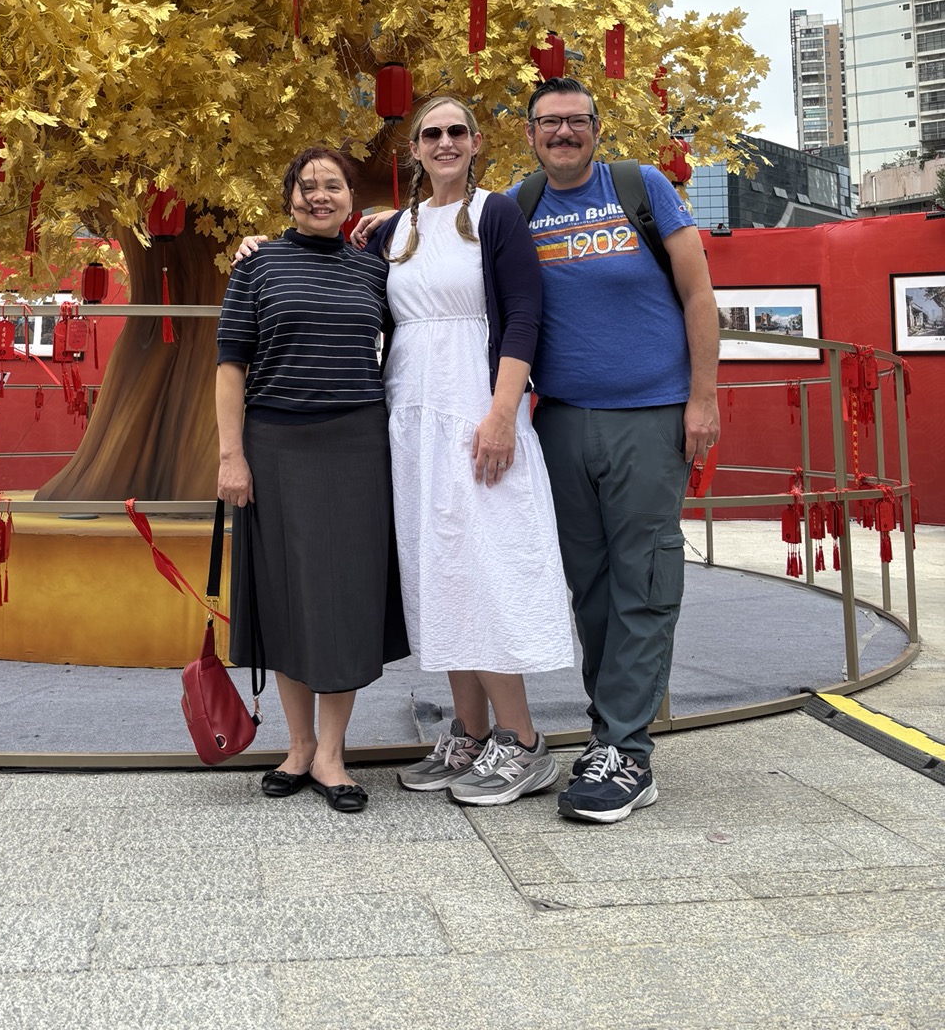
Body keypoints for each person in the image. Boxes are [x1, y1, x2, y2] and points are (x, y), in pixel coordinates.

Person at [513, 75, 720, 824]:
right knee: (591, 588)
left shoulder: (641, 187)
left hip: (650, 416)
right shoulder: (519, 204)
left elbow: (699, 295)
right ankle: (611, 731)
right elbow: (451, 242)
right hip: (562, 422)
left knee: (645, 578)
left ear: (596, 128)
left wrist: (703, 399)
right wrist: (381, 221)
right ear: (530, 134)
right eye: (549, 122)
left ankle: (626, 749)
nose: (563, 133)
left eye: (576, 120)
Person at [365, 96, 573, 807]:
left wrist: (503, 413)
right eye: (433, 133)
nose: (446, 142)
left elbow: (525, 314)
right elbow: (332, 264)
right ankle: (472, 733)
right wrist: (256, 246)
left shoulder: (496, 214)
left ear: (477, 142)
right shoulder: (394, 231)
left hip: (476, 413)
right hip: (412, 419)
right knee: (440, 573)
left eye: (458, 131)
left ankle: (523, 742)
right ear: (415, 148)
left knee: (486, 570)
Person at [215, 146, 408, 814]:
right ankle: (297, 747)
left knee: (344, 599)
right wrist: (230, 456)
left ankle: (331, 753)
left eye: (333, 185)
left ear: (351, 198)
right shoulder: (257, 265)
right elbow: (231, 365)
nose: (319, 195)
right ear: (289, 197)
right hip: (275, 445)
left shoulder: (374, 269)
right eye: (306, 185)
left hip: (357, 445)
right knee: (286, 594)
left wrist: (389, 218)